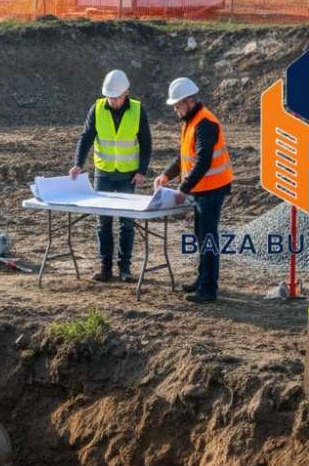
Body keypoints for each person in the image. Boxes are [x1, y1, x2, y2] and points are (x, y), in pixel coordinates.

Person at [154, 77, 232, 303]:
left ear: (189, 101)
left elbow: (203, 161)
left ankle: (208, 289)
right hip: (202, 189)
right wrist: (166, 175)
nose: (176, 110)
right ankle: (203, 279)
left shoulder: (205, 123)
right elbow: (185, 156)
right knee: (201, 236)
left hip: (212, 189)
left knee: (208, 238)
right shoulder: (191, 121)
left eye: (178, 105)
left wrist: (183, 189)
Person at [70, 69, 152, 282]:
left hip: (128, 175)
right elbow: (86, 137)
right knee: (103, 222)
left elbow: (146, 143)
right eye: (110, 97)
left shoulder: (138, 110)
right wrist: (78, 164)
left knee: (127, 223)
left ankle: (125, 269)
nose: (113, 101)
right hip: (104, 174)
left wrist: (142, 170)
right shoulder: (97, 109)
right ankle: (105, 267)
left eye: (117, 97)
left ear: (127, 93)